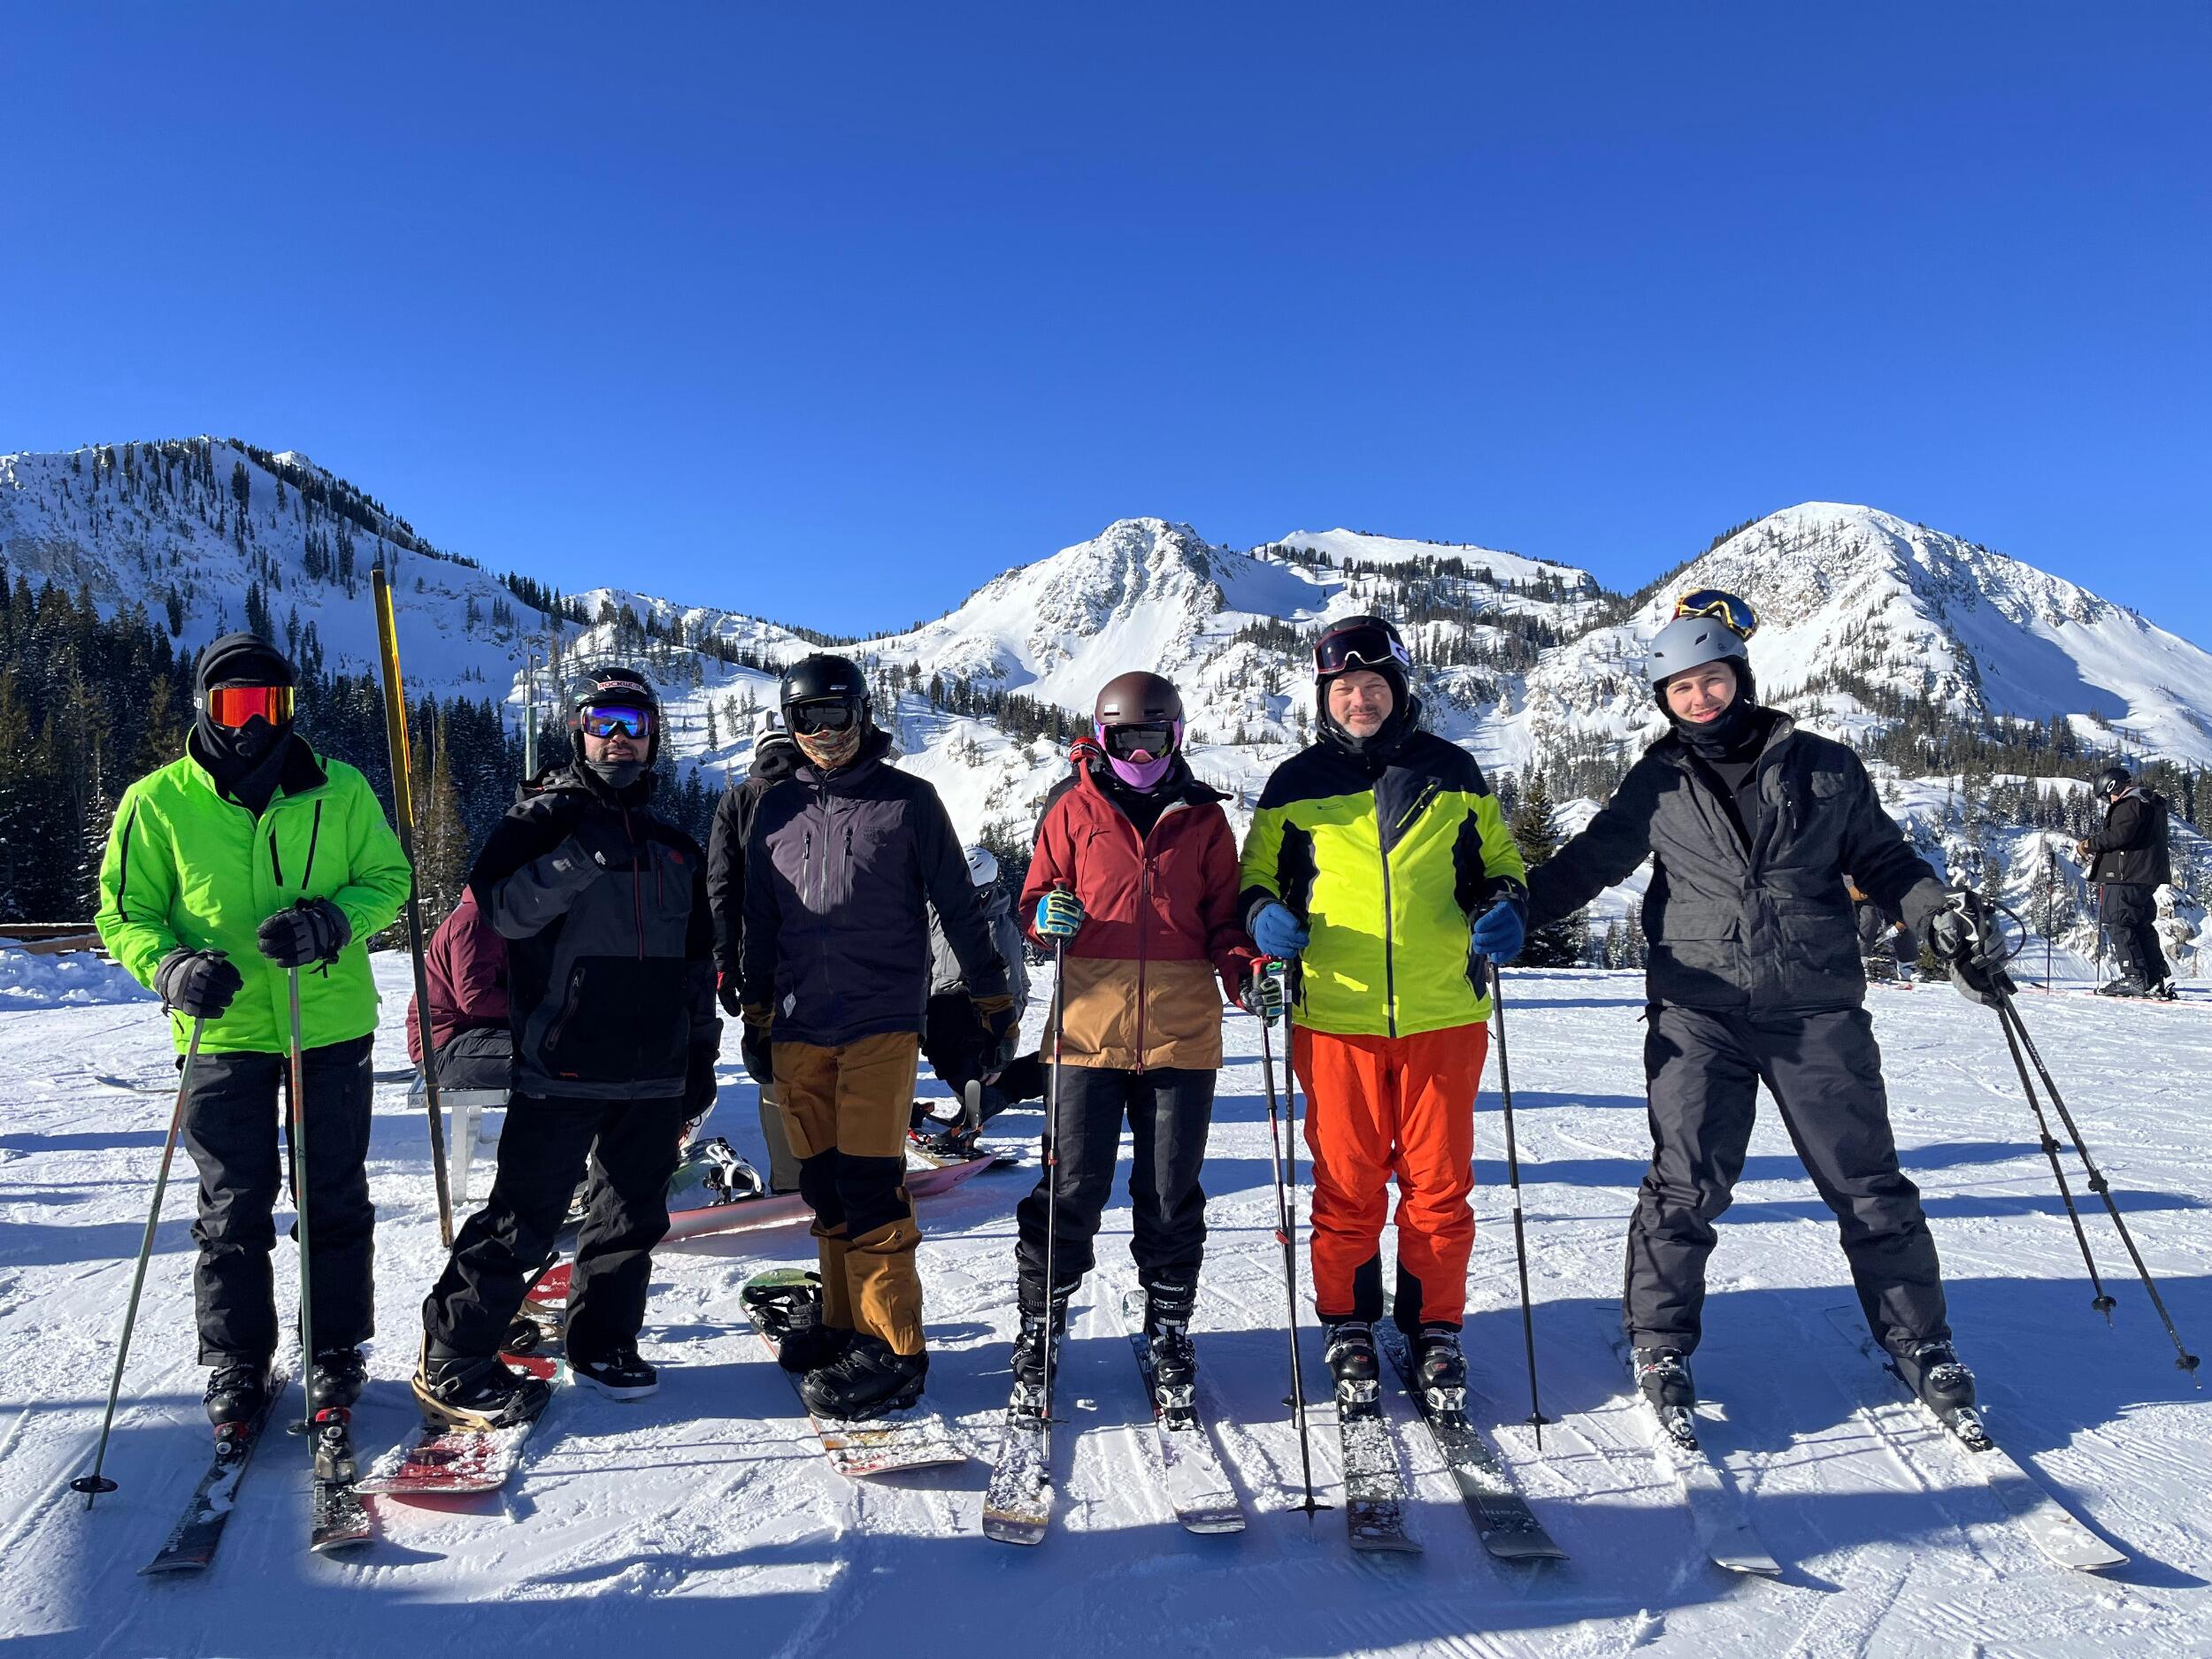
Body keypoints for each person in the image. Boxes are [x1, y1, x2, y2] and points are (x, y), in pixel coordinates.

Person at [1524, 589, 1989, 1419]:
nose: (1699, 699)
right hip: (1698, 1009)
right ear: (1663, 701)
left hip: (1815, 1007)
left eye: (1711, 680)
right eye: (1681, 689)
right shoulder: (1657, 781)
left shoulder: (1823, 765)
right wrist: (1506, 914)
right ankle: (1661, 1343)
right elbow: (1587, 863)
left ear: (1739, 675)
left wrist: (1933, 912)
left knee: (1867, 1184)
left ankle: (1920, 1338)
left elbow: (1884, 859)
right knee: (1686, 1185)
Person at [95, 632, 411, 1428]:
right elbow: (125, 911)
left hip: (328, 1023)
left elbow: (390, 878)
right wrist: (171, 969)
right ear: (203, 706)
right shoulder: (157, 800)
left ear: (289, 708)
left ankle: (335, 1346)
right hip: (222, 1031)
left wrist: (334, 922)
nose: (250, 722)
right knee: (233, 1203)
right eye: (233, 702)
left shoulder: (339, 790)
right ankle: (238, 1358)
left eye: (267, 703)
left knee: (333, 1191)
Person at [415, 664, 718, 1425]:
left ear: (654, 738)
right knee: (525, 1215)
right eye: (603, 723)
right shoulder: (538, 823)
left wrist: (700, 1058)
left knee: (630, 1218)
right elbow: (500, 913)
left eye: (634, 725)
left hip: (652, 1068)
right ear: (579, 732)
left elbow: (695, 968)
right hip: (563, 1058)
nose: (619, 739)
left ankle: (603, 1341)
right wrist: (574, 855)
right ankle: (453, 1353)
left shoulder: (676, 847)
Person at [1237, 617, 1528, 1407]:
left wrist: (1504, 905)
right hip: (1335, 1013)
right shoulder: (1294, 782)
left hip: (1444, 1012)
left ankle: (1436, 1327)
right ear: (1325, 698)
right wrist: (1263, 914)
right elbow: (1254, 876)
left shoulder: (1454, 770)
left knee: (1438, 1183)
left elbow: (1499, 863)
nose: (1358, 700)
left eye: (1372, 686)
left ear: (1399, 690)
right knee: (1348, 1182)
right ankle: (1348, 1322)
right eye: (1343, 689)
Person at [740, 654, 1014, 1418]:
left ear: (863, 713)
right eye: (806, 719)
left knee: (869, 1184)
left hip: (880, 1022)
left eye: (835, 715)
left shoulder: (909, 801)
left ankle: (895, 1348)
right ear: (789, 725)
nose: (823, 733)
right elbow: (759, 922)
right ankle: (842, 1321)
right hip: (798, 1023)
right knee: (823, 1182)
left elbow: (961, 907)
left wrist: (990, 1000)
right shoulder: (775, 809)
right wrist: (757, 1014)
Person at [1014, 673, 1262, 1412]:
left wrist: (1247, 969)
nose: (1141, 754)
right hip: (1086, 1031)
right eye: (1127, 739)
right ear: (1103, 736)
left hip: (1181, 1035)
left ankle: (1168, 1328)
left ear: (1176, 736)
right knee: (1071, 1188)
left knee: (1169, 1192)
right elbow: (1034, 897)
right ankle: (1041, 1327)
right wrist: (1043, 917)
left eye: (1154, 738)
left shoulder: (1205, 821)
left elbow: (1225, 922)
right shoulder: (1073, 808)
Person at [708, 708, 805, 1191]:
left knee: (771, 1068)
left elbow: (720, 888)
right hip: (825, 953)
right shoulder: (820, 791)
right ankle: (849, 1172)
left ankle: (789, 1179)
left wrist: (725, 964)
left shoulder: (738, 801)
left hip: (757, 956)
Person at [910, 842, 1037, 1155]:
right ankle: (991, 1090)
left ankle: (994, 1096)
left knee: (969, 1065)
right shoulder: (937, 913)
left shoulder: (996, 930)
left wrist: (1002, 1042)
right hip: (937, 1011)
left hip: (976, 1018)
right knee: (943, 1051)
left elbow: (1014, 991)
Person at [2079, 766, 2176, 1000]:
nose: (2107, 801)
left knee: (2119, 920)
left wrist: (2089, 844)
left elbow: (2120, 835)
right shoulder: (2149, 802)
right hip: (2147, 874)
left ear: (2113, 786)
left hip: (2127, 874)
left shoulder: (2130, 803)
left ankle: (2134, 977)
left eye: (2105, 796)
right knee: (2141, 923)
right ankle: (2154, 978)